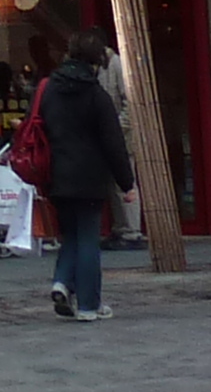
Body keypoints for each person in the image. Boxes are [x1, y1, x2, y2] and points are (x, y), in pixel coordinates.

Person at [29, 32, 134, 323]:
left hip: (56, 174)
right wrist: (127, 184)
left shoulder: (47, 89)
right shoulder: (97, 96)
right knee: (88, 238)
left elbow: (35, 125)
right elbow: (114, 143)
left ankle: (62, 282)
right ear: (97, 62)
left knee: (71, 235)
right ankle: (89, 304)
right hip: (89, 177)